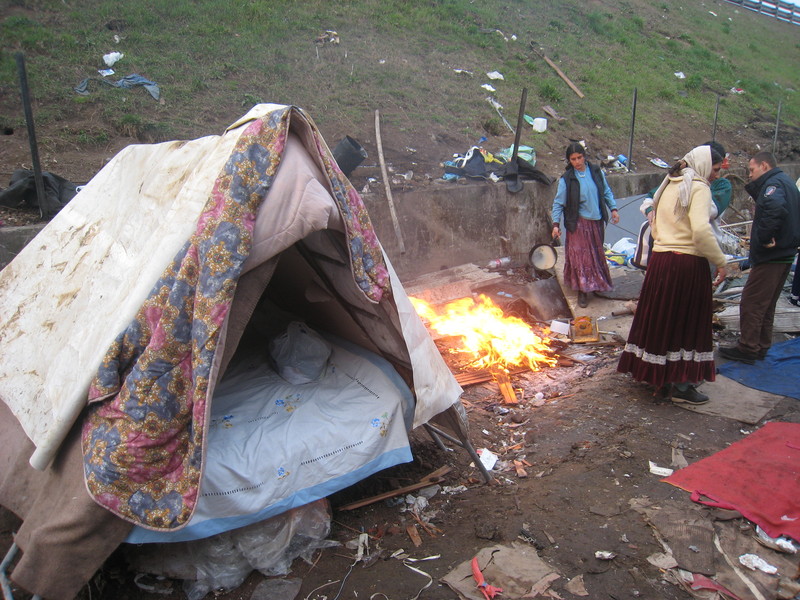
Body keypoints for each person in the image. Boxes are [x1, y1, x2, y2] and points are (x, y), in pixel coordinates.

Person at [617, 145, 727, 404]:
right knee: (685, 324)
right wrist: (720, 261)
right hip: (686, 265)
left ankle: (656, 375)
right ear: (703, 166)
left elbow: (654, 223)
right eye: (715, 169)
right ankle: (681, 384)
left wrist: (666, 242)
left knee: (661, 319)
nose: (716, 175)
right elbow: (700, 231)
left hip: (661, 262)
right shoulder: (698, 188)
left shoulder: (668, 184)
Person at [719, 152, 800, 363]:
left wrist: (764, 238)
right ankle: (761, 345)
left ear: (764, 166)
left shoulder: (773, 185)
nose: (750, 175)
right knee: (767, 304)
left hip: (771, 256)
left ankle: (748, 347)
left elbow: (775, 208)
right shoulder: (787, 182)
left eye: (752, 170)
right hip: (785, 253)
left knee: (752, 302)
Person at [551, 142, 619, 308]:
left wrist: (613, 209)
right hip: (578, 223)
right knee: (582, 258)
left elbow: (606, 191)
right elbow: (558, 203)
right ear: (569, 160)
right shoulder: (567, 179)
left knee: (595, 255)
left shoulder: (595, 172)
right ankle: (582, 290)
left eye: (579, 157)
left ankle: (596, 284)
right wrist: (555, 224)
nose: (577, 162)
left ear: (584, 156)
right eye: (573, 159)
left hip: (596, 221)